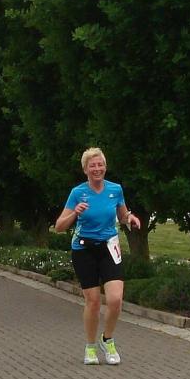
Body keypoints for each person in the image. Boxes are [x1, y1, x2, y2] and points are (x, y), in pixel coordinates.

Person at [55, 147, 141, 366]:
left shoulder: (115, 189)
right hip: (84, 249)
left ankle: (107, 339)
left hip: (109, 247)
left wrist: (130, 218)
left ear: (105, 167)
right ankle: (90, 346)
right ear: (85, 169)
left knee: (115, 299)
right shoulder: (77, 193)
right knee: (93, 301)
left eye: (100, 164)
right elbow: (59, 226)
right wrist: (75, 213)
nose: (97, 169)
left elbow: (122, 214)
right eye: (92, 165)